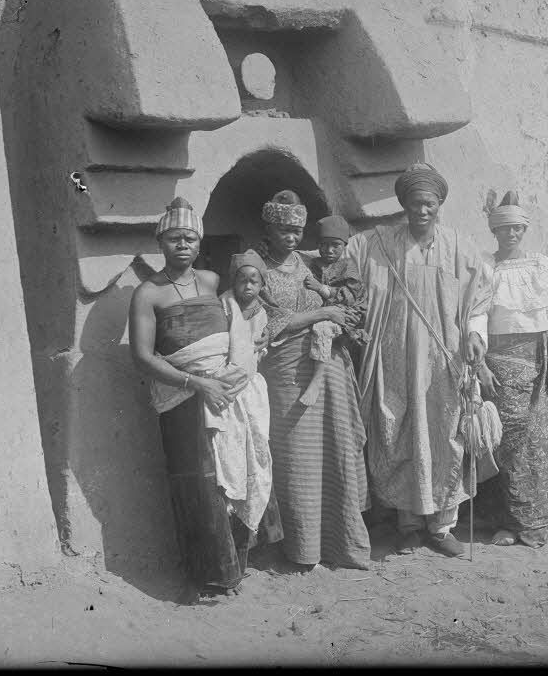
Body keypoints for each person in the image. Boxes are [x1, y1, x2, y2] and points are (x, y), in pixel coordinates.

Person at [127, 198, 275, 600]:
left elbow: (240, 326)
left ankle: (237, 568)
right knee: (200, 486)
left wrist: (240, 361)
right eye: (175, 238)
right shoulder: (148, 294)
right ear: (161, 242)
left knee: (236, 476)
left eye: (190, 238)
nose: (183, 245)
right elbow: (142, 357)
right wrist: (197, 384)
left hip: (228, 396)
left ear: (199, 243)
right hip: (184, 400)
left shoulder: (210, 282)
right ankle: (208, 577)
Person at [342, 163, 492, 558]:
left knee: (446, 435)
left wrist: (476, 333)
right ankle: (408, 524)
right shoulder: (381, 243)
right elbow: (345, 264)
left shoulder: (461, 247)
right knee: (399, 430)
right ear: (404, 206)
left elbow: (479, 299)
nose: (422, 211)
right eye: (414, 204)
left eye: (429, 204)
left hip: (444, 360)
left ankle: (442, 527)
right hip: (395, 356)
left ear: (440, 204)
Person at [255, 190, 371, 570]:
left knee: (336, 450)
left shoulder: (310, 265)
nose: (291, 237)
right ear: (268, 229)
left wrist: (340, 316)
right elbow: (266, 324)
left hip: (329, 367)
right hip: (287, 372)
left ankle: (342, 547)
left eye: (297, 230)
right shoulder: (258, 269)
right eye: (284, 230)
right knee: (296, 457)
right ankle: (302, 551)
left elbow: (346, 305)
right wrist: (323, 314)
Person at [474, 191, 548, 548]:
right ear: (494, 231)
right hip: (498, 361)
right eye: (504, 229)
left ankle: (537, 521)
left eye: (517, 228)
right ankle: (507, 521)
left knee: (535, 440)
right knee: (502, 440)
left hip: (538, 360)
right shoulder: (485, 267)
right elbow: (477, 317)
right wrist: (480, 363)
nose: (511, 234)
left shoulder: (539, 266)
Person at [218, 250, 283, 546]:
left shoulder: (262, 312)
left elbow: (259, 348)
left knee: (257, 454)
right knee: (229, 458)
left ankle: (252, 536)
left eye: (254, 281)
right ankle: (231, 535)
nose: (247, 287)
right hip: (226, 388)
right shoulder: (223, 306)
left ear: (261, 284)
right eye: (242, 280)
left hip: (252, 391)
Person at [303, 215, 369, 369]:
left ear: (345, 245)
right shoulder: (313, 264)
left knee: (325, 332)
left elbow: (350, 297)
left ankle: (322, 371)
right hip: (323, 313)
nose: (329, 250)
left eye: (336, 245)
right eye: (324, 245)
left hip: (348, 313)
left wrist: (321, 288)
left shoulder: (348, 267)